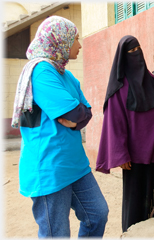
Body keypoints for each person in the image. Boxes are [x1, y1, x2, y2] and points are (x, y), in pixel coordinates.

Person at [11, 16, 109, 238]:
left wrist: (76, 118)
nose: (80, 45)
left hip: (74, 164)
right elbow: (74, 113)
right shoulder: (42, 71)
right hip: (49, 166)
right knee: (56, 232)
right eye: (75, 39)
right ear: (60, 41)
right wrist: (77, 117)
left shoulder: (66, 74)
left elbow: (86, 113)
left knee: (97, 214)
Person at [95, 35, 154, 232]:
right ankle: (132, 233)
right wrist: (120, 154)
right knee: (135, 197)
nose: (135, 55)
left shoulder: (150, 79)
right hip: (134, 155)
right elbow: (115, 124)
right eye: (131, 52)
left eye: (138, 49)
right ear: (122, 57)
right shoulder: (118, 89)